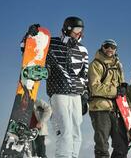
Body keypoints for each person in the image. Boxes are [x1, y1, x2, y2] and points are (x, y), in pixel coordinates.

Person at [24, 16, 89, 158]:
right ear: (68, 29)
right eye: (77, 29)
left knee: (76, 130)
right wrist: (31, 36)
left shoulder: (83, 49)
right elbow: (29, 50)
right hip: (59, 91)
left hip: (77, 94)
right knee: (64, 128)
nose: (80, 33)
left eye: (82, 30)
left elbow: (85, 74)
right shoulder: (52, 43)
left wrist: (85, 95)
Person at [88, 39, 128, 158]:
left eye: (113, 47)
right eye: (107, 46)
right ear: (102, 48)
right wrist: (116, 91)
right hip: (99, 108)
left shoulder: (118, 65)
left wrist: (124, 89)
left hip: (116, 108)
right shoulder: (96, 64)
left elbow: (121, 83)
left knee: (121, 144)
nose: (110, 49)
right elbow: (94, 87)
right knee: (102, 144)